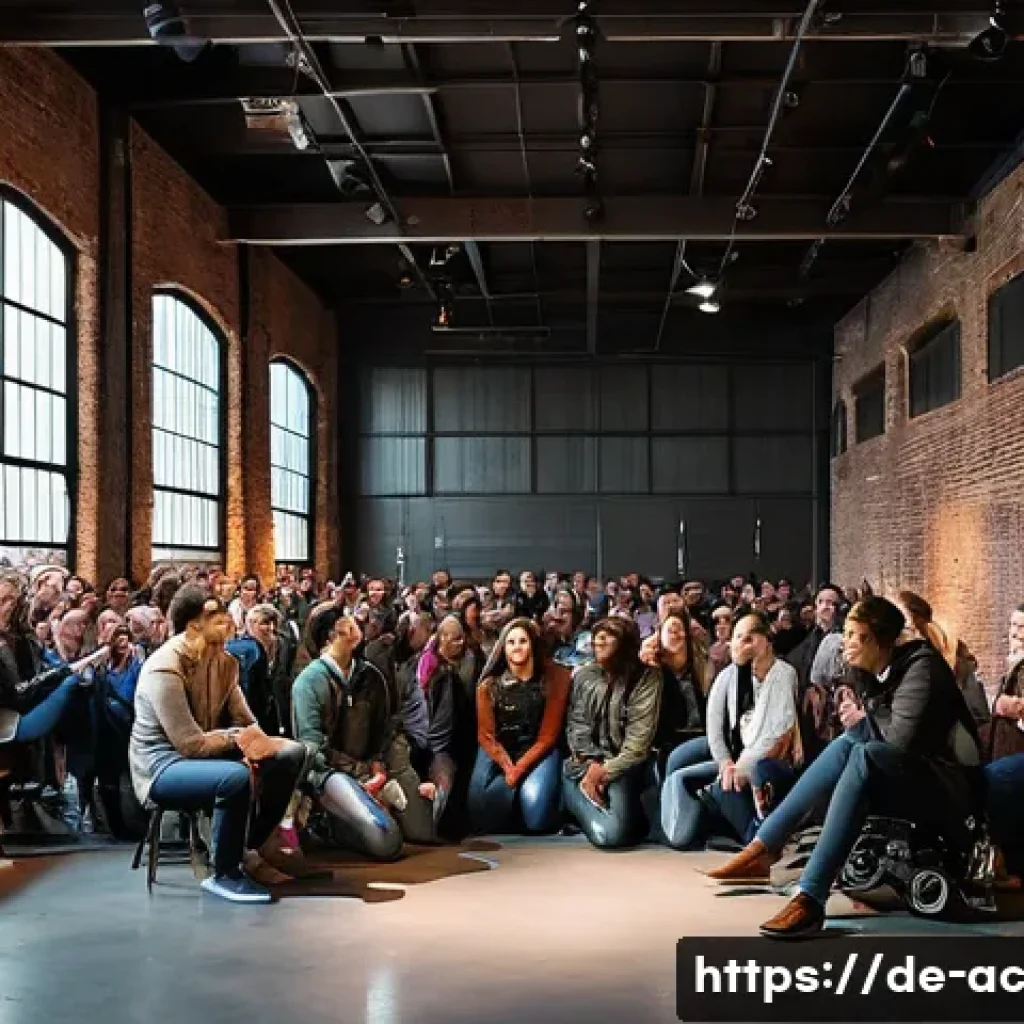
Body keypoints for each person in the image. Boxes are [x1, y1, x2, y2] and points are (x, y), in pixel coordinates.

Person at [706, 597, 983, 938]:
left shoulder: (922, 667)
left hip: (954, 795)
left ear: (877, 639)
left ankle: (810, 894)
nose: (846, 642)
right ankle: (764, 845)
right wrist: (864, 690)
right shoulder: (882, 670)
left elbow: (897, 744)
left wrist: (865, 695)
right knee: (852, 741)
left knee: (863, 752)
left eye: (854, 634)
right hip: (915, 779)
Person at [130, 586, 307, 904]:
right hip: (163, 765)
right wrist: (239, 741)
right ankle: (225, 872)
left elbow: (245, 719)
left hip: (211, 750)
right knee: (234, 778)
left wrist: (258, 743)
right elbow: (188, 745)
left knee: (292, 753)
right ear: (192, 624)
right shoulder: (164, 667)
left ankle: (247, 845)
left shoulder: (225, 662)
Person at [660, 611, 800, 850]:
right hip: (733, 754)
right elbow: (714, 727)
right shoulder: (728, 676)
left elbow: (771, 735)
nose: (741, 644)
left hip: (766, 759)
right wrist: (725, 762)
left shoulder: (783, 674)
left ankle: (751, 836)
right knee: (678, 763)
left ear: (766, 640)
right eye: (737, 638)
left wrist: (739, 769)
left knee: (718, 782)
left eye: (749, 638)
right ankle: (680, 822)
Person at [291, 608, 414, 859]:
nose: (353, 630)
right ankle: (328, 822)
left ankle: (344, 821)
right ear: (328, 638)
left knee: (420, 826)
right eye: (343, 627)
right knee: (385, 840)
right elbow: (312, 745)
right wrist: (356, 773)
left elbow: (383, 728)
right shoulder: (309, 681)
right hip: (327, 773)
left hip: (370, 767)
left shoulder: (370, 675)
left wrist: (378, 767)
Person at [563, 617, 663, 849]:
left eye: (609, 635)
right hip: (586, 763)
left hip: (623, 766)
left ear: (626, 643)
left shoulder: (647, 678)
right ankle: (574, 796)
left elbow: (638, 744)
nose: (599, 639)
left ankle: (578, 804)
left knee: (614, 835)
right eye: (598, 634)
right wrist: (590, 764)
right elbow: (577, 725)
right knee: (611, 834)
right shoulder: (584, 675)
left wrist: (605, 771)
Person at [468, 619, 570, 834]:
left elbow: (548, 737)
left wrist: (519, 769)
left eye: (522, 641)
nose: (517, 646)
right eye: (511, 642)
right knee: (480, 815)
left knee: (536, 819)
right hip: (501, 749)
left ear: (532, 645)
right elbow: (486, 735)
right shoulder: (488, 686)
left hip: (540, 748)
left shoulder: (554, 679)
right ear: (503, 648)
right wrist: (508, 767)